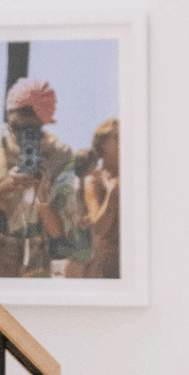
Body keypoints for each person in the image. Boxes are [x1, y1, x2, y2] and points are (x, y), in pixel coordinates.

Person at [0, 77, 71, 275]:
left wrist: (42, 194)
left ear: (43, 122)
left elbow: (60, 236)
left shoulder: (59, 153)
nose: (22, 136)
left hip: (37, 268)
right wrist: (6, 187)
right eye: (15, 127)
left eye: (31, 130)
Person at [79, 118, 120, 279]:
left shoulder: (136, 173)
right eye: (117, 138)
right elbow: (99, 228)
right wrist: (112, 192)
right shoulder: (94, 180)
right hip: (105, 264)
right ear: (103, 144)